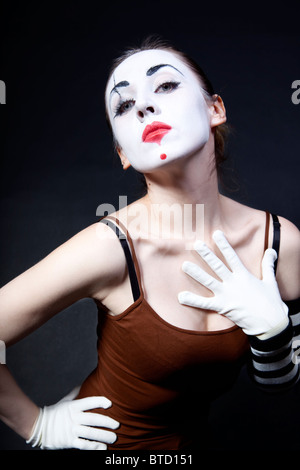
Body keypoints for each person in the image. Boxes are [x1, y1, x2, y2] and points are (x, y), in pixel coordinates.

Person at [0, 37, 299, 451]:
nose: (142, 106)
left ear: (215, 109)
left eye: (165, 86)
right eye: (123, 106)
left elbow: (280, 386)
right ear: (123, 152)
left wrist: (274, 335)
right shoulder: (111, 248)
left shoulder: (279, 241)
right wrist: (36, 426)